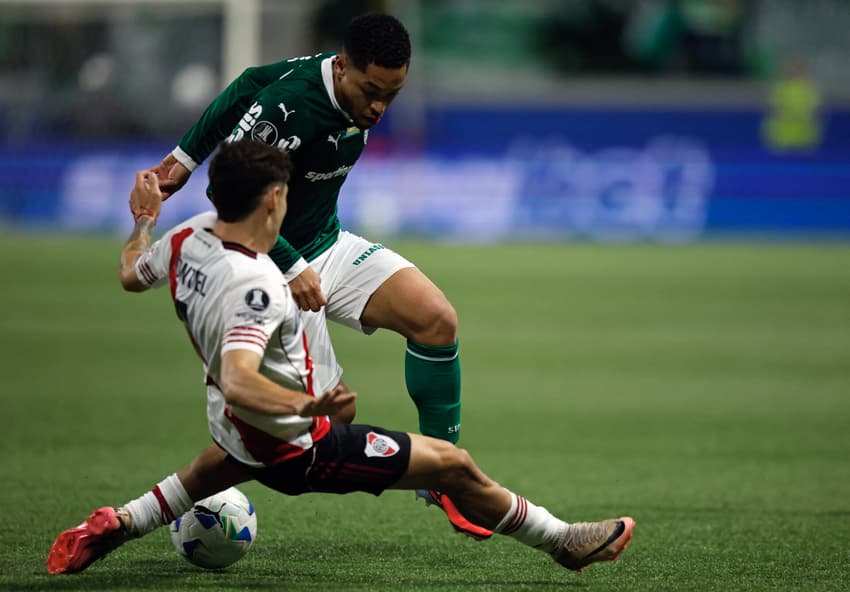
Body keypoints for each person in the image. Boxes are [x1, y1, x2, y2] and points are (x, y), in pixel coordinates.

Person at [47, 140, 635, 576]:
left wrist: (144, 219)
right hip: (299, 444)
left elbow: (130, 273)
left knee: (217, 466)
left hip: (235, 430)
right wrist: (310, 403)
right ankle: (564, 541)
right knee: (452, 465)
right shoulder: (258, 285)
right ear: (275, 199)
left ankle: (119, 523)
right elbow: (239, 379)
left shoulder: (184, 239)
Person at [149, 11, 481, 537]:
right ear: (343, 67)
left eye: (391, 95)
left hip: (326, 243)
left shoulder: (331, 76)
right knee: (316, 433)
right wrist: (187, 164)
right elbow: (227, 195)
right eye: (371, 91)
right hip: (272, 269)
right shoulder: (289, 111)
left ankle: (446, 476)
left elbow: (249, 79)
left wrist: (181, 158)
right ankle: (150, 508)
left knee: (436, 319)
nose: (378, 107)